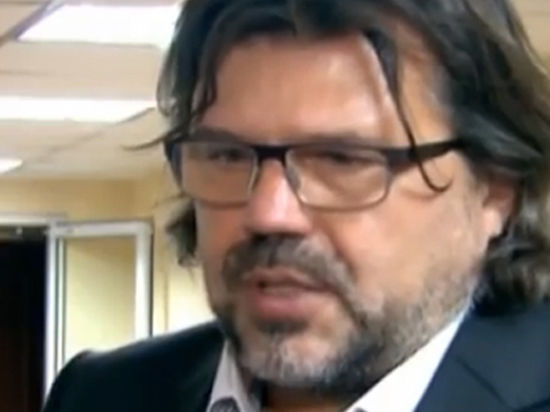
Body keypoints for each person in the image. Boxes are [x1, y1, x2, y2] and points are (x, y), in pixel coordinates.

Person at [44, 0, 550, 411]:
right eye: (226, 155)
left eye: (342, 159)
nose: (268, 214)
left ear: (494, 189)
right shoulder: (101, 395)